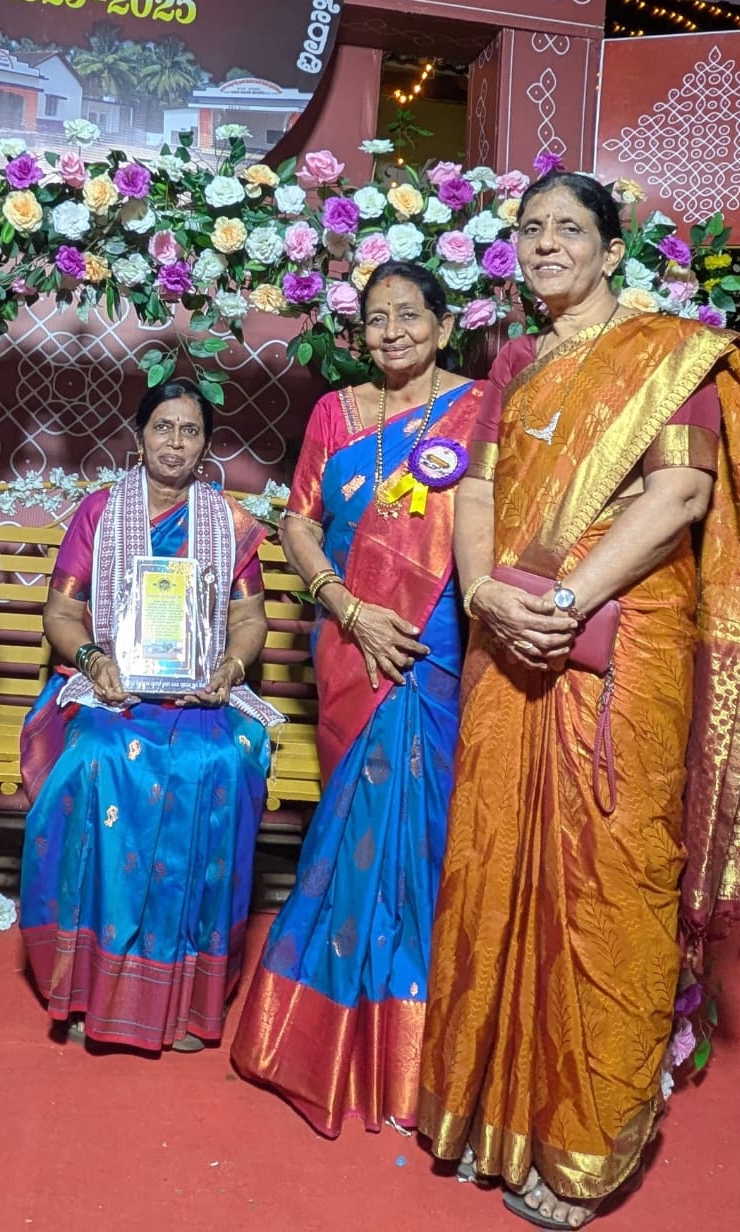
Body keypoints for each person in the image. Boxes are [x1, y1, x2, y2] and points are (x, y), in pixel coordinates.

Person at [417, 172, 740, 1228]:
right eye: (529, 229)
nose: (545, 244)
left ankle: (586, 1145)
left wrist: (564, 600)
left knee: (607, 876)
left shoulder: (668, 356)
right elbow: (476, 486)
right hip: (510, 637)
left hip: (620, 647)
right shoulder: (514, 363)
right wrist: (484, 595)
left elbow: (682, 492)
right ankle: (496, 1112)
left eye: (569, 229)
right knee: (496, 857)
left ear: (612, 251)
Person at [232, 261, 486, 1135]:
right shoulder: (334, 414)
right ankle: (320, 1039)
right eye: (376, 319)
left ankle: (416, 1051)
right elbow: (298, 520)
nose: (391, 332)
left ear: (443, 326)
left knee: (423, 835)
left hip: (434, 646)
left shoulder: (480, 409)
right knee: (355, 830)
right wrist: (343, 605)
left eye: (409, 315)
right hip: (349, 640)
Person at [17, 381, 280, 1052]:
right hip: (113, 692)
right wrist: (92, 658)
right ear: (139, 436)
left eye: (190, 431)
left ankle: (186, 997)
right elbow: (60, 612)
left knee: (218, 765)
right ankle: (88, 986)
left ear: (205, 445)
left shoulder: (228, 521)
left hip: (200, 696)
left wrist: (231, 668)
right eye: (163, 426)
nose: (175, 442)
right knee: (96, 763)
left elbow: (250, 618)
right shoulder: (101, 512)